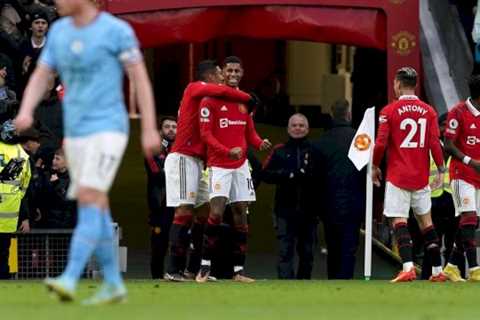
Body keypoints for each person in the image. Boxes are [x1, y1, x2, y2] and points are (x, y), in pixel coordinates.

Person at [14, 0, 161, 304]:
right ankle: (112, 283)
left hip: (108, 127)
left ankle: (70, 277)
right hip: (77, 131)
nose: (56, 2)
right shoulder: (60, 32)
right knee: (96, 204)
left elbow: (140, 79)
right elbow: (42, 74)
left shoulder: (116, 31)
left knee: (90, 197)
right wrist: (26, 110)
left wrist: (148, 128)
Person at [164, 60, 256, 281]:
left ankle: (194, 268)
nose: (223, 77)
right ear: (210, 75)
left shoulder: (209, 98)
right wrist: (248, 98)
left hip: (197, 161)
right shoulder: (194, 87)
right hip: (183, 156)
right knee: (184, 210)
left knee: (207, 213)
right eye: (219, 73)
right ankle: (173, 269)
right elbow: (225, 91)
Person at [196, 56, 271, 283]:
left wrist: (260, 143)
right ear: (223, 73)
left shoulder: (244, 102)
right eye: (229, 70)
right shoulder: (209, 100)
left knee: (241, 215)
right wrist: (227, 150)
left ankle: (238, 271)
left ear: (242, 73)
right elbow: (205, 134)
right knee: (216, 213)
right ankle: (204, 268)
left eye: (237, 71)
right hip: (219, 164)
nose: (233, 74)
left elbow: (249, 133)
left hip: (240, 167)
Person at [372, 67, 448, 282]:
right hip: (421, 177)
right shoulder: (429, 111)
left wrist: (375, 166)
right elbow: (435, 142)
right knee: (427, 223)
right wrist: (441, 169)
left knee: (399, 220)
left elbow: (380, 144)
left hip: (398, 176)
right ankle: (436, 271)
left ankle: (407, 267)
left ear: (397, 83)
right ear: (415, 84)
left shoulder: (389, 111)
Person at [313, 100, 365, 279]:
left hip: (328, 203)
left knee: (333, 246)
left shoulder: (321, 142)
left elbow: (315, 176)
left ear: (331, 115)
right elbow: (367, 170)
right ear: (349, 115)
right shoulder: (360, 139)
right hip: (354, 201)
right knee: (349, 248)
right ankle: (346, 281)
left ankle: (332, 281)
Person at [262, 113, 317, 279]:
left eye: (301, 125)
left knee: (307, 253)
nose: (297, 128)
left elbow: (323, 178)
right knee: (285, 251)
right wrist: (288, 175)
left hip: (309, 212)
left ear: (307, 129)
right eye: (294, 125)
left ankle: (304, 286)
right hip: (284, 211)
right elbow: (265, 174)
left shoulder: (315, 151)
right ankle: (285, 286)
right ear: (288, 128)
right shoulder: (279, 151)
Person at [442, 75, 480, 282]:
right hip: (462, 173)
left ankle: (451, 266)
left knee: (474, 223)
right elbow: (448, 144)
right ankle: (474, 269)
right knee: (468, 218)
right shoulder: (458, 112)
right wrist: (470, 161)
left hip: (478, 175)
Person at [421, 113, 464, 279]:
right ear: (437, 128)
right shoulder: (429, 148)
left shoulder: (459, 149)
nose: (446, 129)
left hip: (454, 200)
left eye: (449, 125)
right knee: (432, 242)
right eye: (443, 125)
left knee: (455, 243)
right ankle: (427, 276)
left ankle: (457, 275)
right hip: (434, 200)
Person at [145, 116, 176, 279]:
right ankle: (157, 277)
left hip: (179, 204)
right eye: (167, 127)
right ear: (160, 131)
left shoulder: (181, 150)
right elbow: (156, 174)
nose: (171, 129)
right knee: (159, 243)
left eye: (174, 127)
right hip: (160, 204)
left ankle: (176, 273)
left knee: (180, 240)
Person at [0, 119, 31, 279]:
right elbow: (23, 188)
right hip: (8, 215)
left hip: (7, 216)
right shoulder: (20, 155)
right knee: (3, 254)